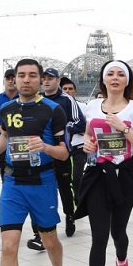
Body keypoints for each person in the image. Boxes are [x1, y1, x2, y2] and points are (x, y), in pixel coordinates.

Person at [0, 58, 70, 266]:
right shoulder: (7, 108)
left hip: (42, 182)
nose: (25, 80)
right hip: (12, 183)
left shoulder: (53, 110)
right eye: (21, 75)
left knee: (49, 240)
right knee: (9, 246)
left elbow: (64, 152)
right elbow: (6, 136)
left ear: (41, 80)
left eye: (32, 75)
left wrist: (45, 147)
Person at [76, 60, 133, 266]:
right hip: (98, 176)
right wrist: (87, 145)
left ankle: (122, 261)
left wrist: (124, 128)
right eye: (110, 74)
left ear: (128, 80)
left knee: (118, 233)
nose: (115, 77)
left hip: (125, 176)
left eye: (121, 74)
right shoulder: (93, 106)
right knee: (99, 237)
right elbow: (88, 134)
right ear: (103, 79)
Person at [41, 67, 86, 238]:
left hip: (63, 152)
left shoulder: (66, 100)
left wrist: (61, 129)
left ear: (58, 81)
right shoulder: (37, 100)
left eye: (50, 78)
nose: (46, 81)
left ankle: (70, 216)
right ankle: (43, 224)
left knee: (65, 187)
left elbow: (80, 123)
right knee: (43, 188)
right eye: (44, 78)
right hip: (41, 153)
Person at [60, 77, 88, 205]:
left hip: (79, 147)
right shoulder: (58, 107)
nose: (67, 91)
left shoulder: (83, 107)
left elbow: (86, 126)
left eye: (70, 89)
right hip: (63, 148)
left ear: (75, 91)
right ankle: (70, 205)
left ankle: (79, 202)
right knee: (65, 179)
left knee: (77, 177)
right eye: (65, 89)